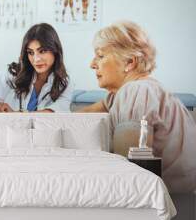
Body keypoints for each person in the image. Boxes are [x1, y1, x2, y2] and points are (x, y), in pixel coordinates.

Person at [79, 20, 196, 193]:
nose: (92, 64)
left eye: (101, 55)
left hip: (173, 204)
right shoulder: (124, 93)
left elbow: (129, 174)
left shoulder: (136, 92)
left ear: (129, 62)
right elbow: (79, 117)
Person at [0, 23, 73, 113]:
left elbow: (56, 115)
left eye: (42, 51)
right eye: (30, 52)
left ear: (55, 50)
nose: (36, 59)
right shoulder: (11, 73)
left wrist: (14, 114)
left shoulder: (64, 83)